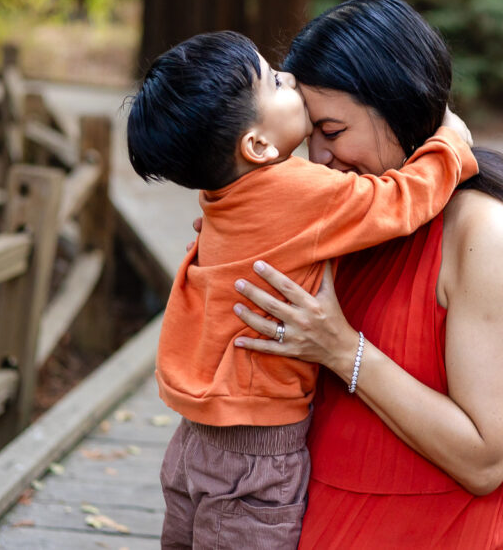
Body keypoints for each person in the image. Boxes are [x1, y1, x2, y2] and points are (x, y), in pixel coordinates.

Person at [229, 0, 503, 549]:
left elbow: (484, 458)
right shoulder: (360, 212)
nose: (318, 157)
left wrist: (341, 349)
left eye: (332, 130)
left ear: (399, 108)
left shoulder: (489, 232)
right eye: (309, 134)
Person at [126, 29, 478, 548]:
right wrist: (451, 143)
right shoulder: (298, 191)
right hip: (256, 456)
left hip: (193, 443)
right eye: (273, 81)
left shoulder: (223, 194)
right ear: (258, 145)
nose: (288, 77)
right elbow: (400, 201)